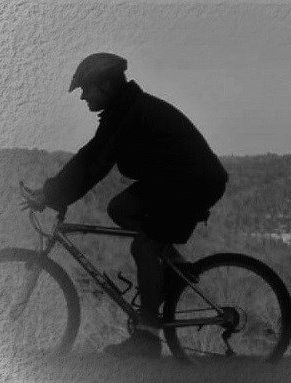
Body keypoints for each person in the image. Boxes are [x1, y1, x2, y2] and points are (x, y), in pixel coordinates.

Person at [24, 52, 228, 358]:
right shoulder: (125, 110)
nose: (82, 97)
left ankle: (147, 338)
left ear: (106, 84)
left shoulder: (130, 113)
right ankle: (175, 268)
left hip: (192, 183)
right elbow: (90, 155)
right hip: (173, 181)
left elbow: (95, 165)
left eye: (86, 89)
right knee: (120, 208)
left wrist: (52, 195)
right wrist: (53, 192)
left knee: (144, 248)